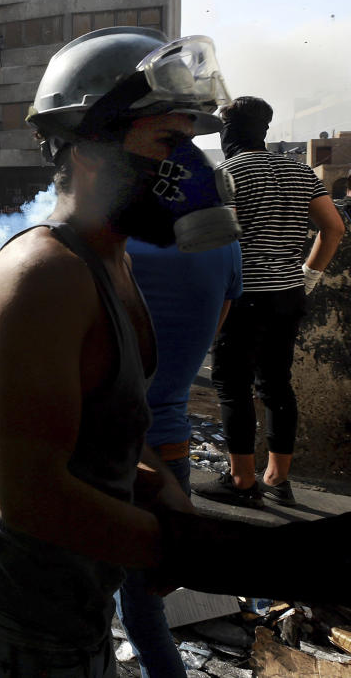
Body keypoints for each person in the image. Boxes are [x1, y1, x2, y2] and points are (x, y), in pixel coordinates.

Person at [0, 28, 351, 678]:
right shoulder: (44, 275)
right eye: (168, 143)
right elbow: (34, 495)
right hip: (8, 625)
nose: (192, 168)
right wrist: (205, 548)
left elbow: (114, 430)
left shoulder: (114, 262)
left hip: (70, 612)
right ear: (95, 146)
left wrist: (170, 503)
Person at [192, 97, 346, 509]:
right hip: (288, 294)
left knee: (231, 384)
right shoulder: (301, 171)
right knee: (276, 384)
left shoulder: (225, 173)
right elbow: (333, 228)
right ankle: (277, 479)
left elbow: (212, 243)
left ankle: (242, 482)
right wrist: (307, 277)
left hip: (243, 297)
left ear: (229, 132)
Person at [116, 238, 242, 677]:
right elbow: (213, 330)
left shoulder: (111, 243)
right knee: (146, 613)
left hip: (108, 451)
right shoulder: (225, 248)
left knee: (87, 608)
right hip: (170, 445)